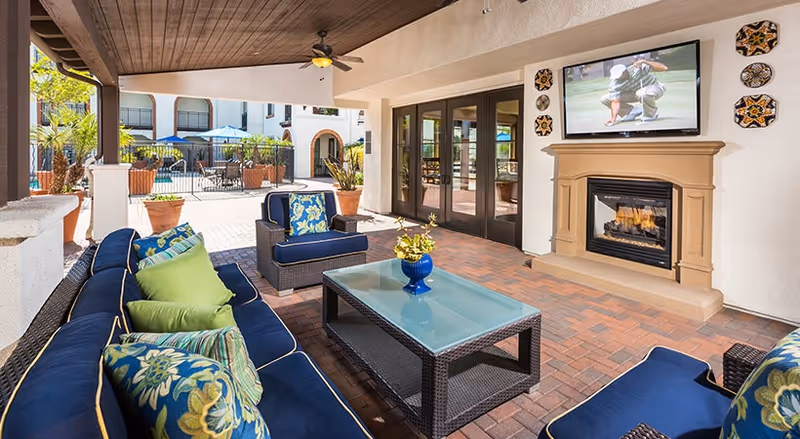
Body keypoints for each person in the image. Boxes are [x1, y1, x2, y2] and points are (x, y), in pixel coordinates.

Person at [601, 59, 668, 126]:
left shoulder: (638, 68)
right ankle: (631, 111)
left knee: (641, 93)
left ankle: (650, 114)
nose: (618, 78)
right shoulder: (615, 83)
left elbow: (664, 68)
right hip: (635, 93)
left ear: (625, 71)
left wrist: (645, 61)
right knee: (605, 98)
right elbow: (615, 102)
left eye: (619, 76)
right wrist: (613, 119)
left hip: (655, 88)